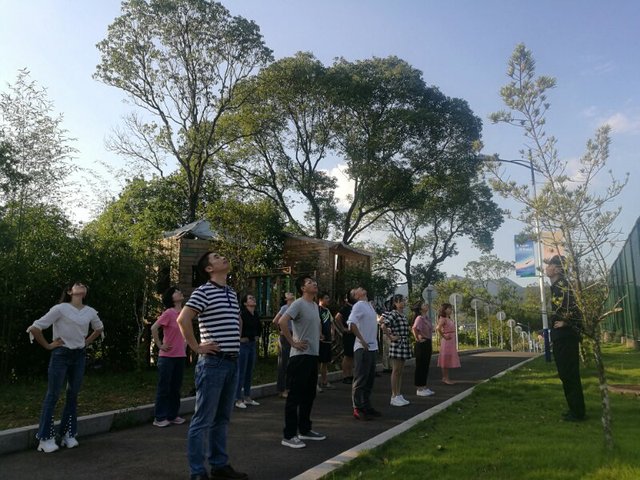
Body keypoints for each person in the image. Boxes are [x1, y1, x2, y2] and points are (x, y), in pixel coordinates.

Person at [177, 251, 248, 480]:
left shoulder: (231, 292)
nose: (223, 257)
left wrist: (234, 340)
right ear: (209, 269)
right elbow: (183, 319)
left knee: (222, 419)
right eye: (217, 257)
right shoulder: (203, 291)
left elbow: (237, 320)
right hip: (213, 363)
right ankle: (198, 472)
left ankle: (219, 466)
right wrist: (196, 347)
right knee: (203, 420)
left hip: (232, 362)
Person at [26, 282, 104, 453]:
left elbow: (99, 329)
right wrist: (48, 346)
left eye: (83, 285)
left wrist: (85, 342)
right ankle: (45, 438)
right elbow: (36, 327)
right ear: (69, 291)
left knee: (72, 395)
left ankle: (68, 434)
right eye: (76, 284)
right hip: (60, 355)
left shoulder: (90, 311)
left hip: (79, 356)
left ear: (85, 292)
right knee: (53, 395)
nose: (81, 285)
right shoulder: (60, 309)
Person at [278, 276, 326, 449]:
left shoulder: (314, 305)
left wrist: (318, 335)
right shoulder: (298, 304)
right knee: (295, 396)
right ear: (302, 288)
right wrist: (293, 342)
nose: (314, 283)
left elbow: (315, 324)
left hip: (312, 355)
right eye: (309, 282)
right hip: (300, 357)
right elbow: (282, 321)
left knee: (309, 395)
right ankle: (289, 435)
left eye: (314, 281)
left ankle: (305, 430)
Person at [545, 254, 586, 422]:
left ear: (557, 269)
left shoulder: (563, 287)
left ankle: (577, 412)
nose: (547, 268)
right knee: (566, 374)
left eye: (550, 265)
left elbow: (577, 310)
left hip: (566, 337)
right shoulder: (558, 286)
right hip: (562, 337)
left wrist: (566, 322)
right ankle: (575, 409)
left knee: (569, 373)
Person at [151, 286, 187, 427]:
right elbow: (154, 327)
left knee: (175, 388)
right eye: (176, 292)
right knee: (164, 388)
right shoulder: (169, 313)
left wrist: (185, 345)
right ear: (171, 298)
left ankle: (172, 415)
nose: (180, 292)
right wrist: (159, 345)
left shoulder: (184, 313)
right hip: (167, 357)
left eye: (179, 291)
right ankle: (159, 417)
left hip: (180, 356)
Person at [348, 287, 381, 421]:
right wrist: (361, 339)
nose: (361, 288)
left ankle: (366, 406)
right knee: (361, 379)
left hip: (372, 347)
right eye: (357, 289)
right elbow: (351, 324)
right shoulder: (358, 305)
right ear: (356, 296)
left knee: (369, 379)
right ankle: (358, 408)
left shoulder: (368, 305)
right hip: (362, 348)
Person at [381, 294, 412, 406]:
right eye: (400, 301)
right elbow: (383, 325)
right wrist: (391, 337)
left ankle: (398, 394)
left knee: (400, 371)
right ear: (395, 303)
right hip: (397, 344)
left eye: (403, 300)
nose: (403, 302)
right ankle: (394, 395)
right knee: (396, 370)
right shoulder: (393, 314)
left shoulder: (403, 314)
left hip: (403, 343)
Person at [235, 293, 262, 409]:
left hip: (252, 345)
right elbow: (238, 328)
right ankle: (237, 398)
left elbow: (259, 328)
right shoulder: (242, 314)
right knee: (241, 371)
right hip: (243, 345)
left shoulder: (255, 314)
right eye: (250, 298)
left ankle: (247, 397)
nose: (253, 299)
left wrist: (257, 336)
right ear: (245, 303)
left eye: (253, 297)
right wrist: (240, 339)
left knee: (249, 371)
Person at [272, 292, 295, 398]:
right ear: (286, 299)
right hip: (286, 336)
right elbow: (275, 321)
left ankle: (289, 387)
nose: (291, 294)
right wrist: (281, 331)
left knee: (291, 363)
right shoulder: (285, 308)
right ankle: (282, 389)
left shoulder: (296, 307)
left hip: (294, 336)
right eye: (288, 294)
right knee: (284, 363)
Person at [412, 300, 435, 397]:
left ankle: (424, 386)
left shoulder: (427, 318)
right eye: (424, 304)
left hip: (428, 342)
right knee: (420, 366)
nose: (426, 305)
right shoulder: (419, 318)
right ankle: (419, 388)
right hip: (422, 343)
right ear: (420, 308)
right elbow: (414, 328)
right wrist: (417, 338)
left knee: (425, 365)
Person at [436, 303, 460, 385]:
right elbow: (438, 328)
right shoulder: (443, 319)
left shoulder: (448, 318)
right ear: (444, 310)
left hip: (451, 341)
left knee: (448, 359)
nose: (451, 310)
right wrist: (444, 336)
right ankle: (445, 378)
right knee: (445, 359)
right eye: (449, 308)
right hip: (447, 341)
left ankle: (447, 377)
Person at [334, 293, 355, 384]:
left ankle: (350, 374)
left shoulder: (355, 307)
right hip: (348, 334)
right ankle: (345, 375)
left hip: (354, 334)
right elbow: (337, 317)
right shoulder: (345, 308)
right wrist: (343, 328)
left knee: (352, 355)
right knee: (347, 355)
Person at [318, 292, 335, 390]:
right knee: (318, 362)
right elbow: (318, 322)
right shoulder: (317, 309)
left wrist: (333, 332)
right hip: (320, 340)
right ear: (320, 299)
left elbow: (331, 322)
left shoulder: (327, 310)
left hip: (328, 339)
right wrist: (320, 333)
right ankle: (315, 383)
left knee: (325, 362)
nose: (328, 300)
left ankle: (324, 381)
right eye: (326, 298)